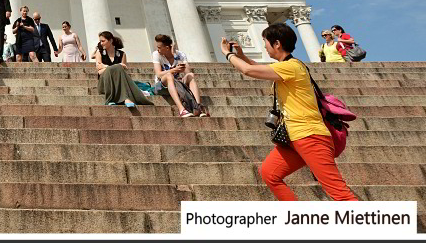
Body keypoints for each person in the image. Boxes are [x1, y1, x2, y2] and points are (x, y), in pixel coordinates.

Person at [221, 24, 357, 201]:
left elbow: (248, 70)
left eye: (265, 42)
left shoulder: (292, 67)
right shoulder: (286, 66)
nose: (264, 47)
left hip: (310, 136)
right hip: (293, 136)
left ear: (277, 44)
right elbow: (255, 66)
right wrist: (241, 55)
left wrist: (227, 54)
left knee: (339, 193)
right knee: (269, 173)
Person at [151, 34, 209, 117]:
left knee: (190, 75)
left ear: (167, 48)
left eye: (159, 47)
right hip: (162, 85)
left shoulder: (180, 55)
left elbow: (188, 72)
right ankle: (181, 109)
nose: (158, 49)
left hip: (178, 84)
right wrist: (174, 70)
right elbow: (159, 74)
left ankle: (197, 107)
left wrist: (175, 56)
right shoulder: (156, 54)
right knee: (169, 76)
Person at [94, 31, 152, 107]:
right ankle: (124, 98)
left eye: (103, 41)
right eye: (100, 41)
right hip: (104, 84)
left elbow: (123, 72)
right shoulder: (99, 53)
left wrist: (104, 66)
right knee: (118, 67)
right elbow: (100, 72)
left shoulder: (122, 54)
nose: (101, 43)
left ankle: (123, 98)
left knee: (119, 70)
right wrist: (116, 66)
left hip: (119, 84)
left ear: (111, 40)